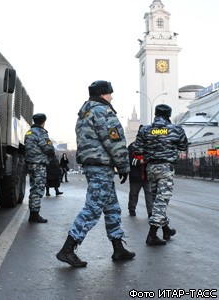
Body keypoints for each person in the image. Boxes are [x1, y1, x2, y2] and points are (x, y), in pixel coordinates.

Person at [56, 80, 135, 267]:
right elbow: (114, 142)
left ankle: (118, 248)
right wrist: (123, 166)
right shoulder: (103, 111)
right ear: (102, 94)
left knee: (112, 208)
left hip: (93, 165)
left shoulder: (85, 112)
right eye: (110, 93)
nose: (112, 97)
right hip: (101, 167)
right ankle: (67, 249)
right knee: (92, 209)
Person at [133, 104, 188, 246]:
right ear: (168, 115)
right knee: (161, 201)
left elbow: (137, 150)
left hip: (151, 168)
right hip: (165, 168)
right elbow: (183, 147)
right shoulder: (176, 129)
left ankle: (166, 230)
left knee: (158, 199)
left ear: (156, 114)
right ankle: (152, 235)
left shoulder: (145, 130)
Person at [24, 113, 55, 223]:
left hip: (30, 164)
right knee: (38, 189)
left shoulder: (29, 132)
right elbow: (48, 148)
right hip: (39, 164)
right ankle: (34, 215)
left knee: (34, 188)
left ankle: (33, 213)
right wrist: (52, 150)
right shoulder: (41, 132)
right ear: (43, 122)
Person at [127, 136, 154, 217]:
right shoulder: (132, 147)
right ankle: (132, 209)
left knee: (149, 194)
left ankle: (150, 212)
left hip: (147, 175)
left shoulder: (149, 147)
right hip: (136, 175)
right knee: (133, 194)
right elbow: (129, 160)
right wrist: (140, 162)